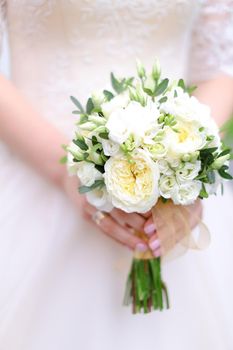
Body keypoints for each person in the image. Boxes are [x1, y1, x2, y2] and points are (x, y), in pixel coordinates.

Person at [0, 1, 232, 349]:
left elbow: (218, 67)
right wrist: (64, 170)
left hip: (171, 210)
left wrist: (187, 169)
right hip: (33, 186)